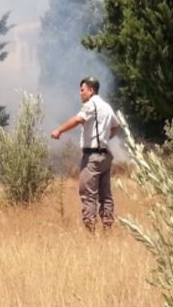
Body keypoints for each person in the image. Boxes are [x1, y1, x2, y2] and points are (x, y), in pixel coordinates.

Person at [51, 77, 120, 232]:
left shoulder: (90, 105)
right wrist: (104, 139)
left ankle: (90, 232)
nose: (80, 93)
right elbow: (116, 127)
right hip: (105, 156)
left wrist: (59, 130)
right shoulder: (107, 107)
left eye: (82, 90)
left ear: (91, 90)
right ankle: (107, 228)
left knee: (88, 195)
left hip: (92, 157)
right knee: (106, 195)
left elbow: (77, 119)